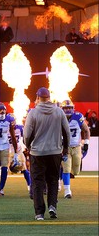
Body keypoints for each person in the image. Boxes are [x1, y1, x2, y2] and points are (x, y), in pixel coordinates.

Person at [24, 87, 70, 221]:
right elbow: (66, 132)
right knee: (53, 180)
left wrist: (28, 146)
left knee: (38, 182)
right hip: (55, 152)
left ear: (38, 98)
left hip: (37, 153)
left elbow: (27, 134)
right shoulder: (58, 111)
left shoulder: (33, 113)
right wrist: (65, 148)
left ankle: (39, 213)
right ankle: (52, 206)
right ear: (49, 97)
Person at [60, 100, 90, 199]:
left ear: (73, 108)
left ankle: (60, 172)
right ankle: (67, 191)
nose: (68, 110)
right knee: (66, 169)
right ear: (62, 109)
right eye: (66, 108)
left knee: (76, 170)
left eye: (69, 107)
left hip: (76, 147)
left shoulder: (78, 117)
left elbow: (86, 130)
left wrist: (86, 144)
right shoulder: (59, 118)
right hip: (65, 147)